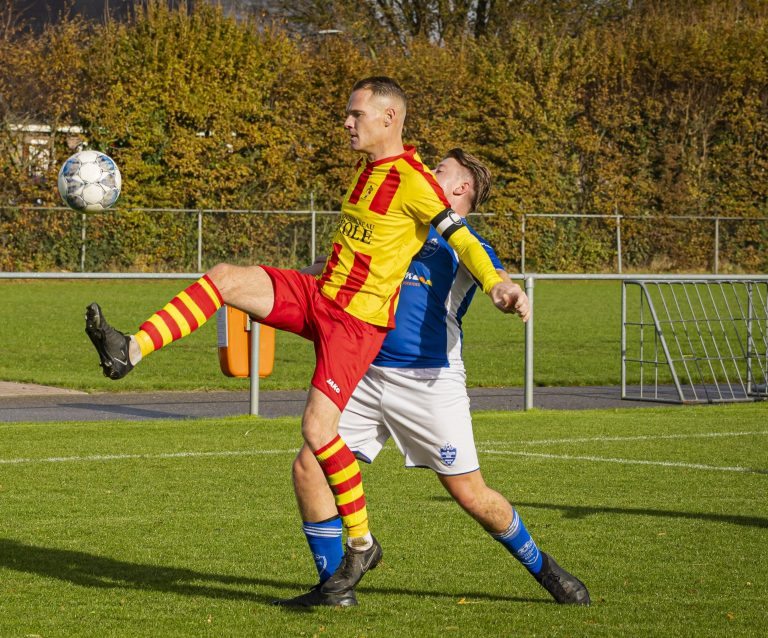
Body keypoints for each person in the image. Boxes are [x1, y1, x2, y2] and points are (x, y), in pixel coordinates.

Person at [84, 77, 529, 599]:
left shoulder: (415, 182)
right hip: (321, 295)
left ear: (388, 119)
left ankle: (361, 545)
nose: (346, 121)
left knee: (318, 432)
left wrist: (499, 283)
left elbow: (465, 241)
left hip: (355, 325)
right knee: (226, 277)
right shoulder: (368, 171)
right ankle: (129, 350)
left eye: (355, 114)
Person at [276, 148, 590, 608]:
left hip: (428, 383)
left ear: (461, 189)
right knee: (308, 467)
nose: (425, 174)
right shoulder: (397, 224)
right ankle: (333, 588)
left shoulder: (464, 243)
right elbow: (333, 268)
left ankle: (546, 570)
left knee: (471, 495)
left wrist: (505, 291)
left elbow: (493, 275)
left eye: (438, 171)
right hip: (362, 370)